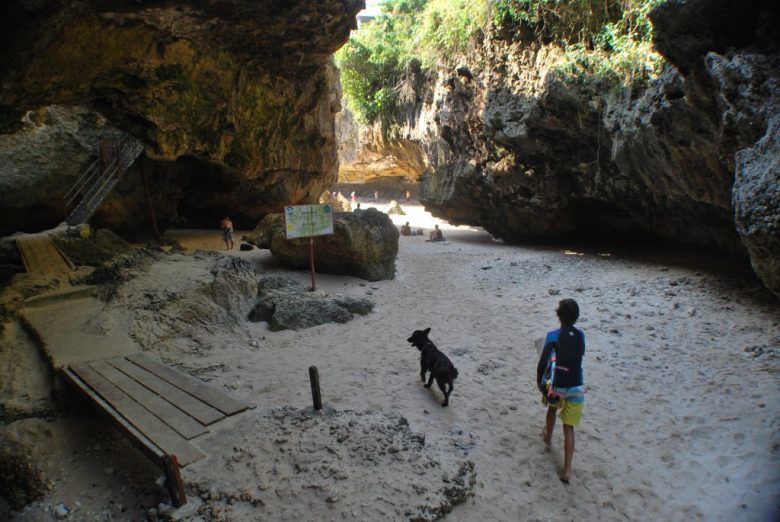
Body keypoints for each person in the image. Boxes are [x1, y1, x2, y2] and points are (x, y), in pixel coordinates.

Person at [537, 298, 585, 483]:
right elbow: (580, 354)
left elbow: (544, 362)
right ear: (576, 317)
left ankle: (548, 436)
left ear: (558, 315)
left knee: (552, 409)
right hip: (575, 386)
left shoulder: (553, 335)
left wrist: (540, 384)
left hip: (557, 385)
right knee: (569, 427)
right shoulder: (581, 336)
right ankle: (567, 470)